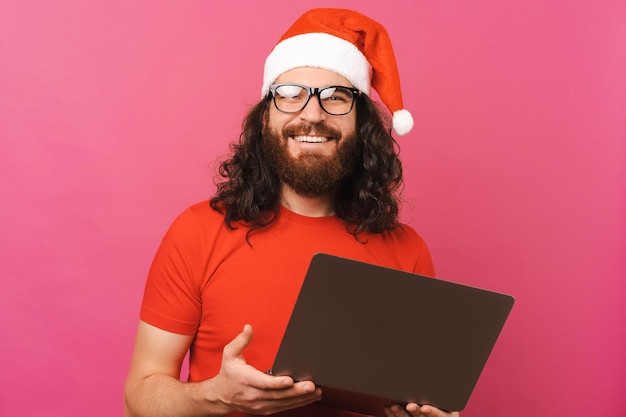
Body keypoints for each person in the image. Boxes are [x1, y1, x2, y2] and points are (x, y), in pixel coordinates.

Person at [124, 8, 460, 417]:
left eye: (336, 97)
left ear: (363, 124)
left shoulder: (408, 251)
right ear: (265, 115)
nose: (312, 114)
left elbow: (416, 392)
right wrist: (216, 395)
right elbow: (139, 398)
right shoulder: (197, 232)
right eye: (291, 94)